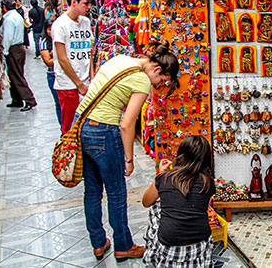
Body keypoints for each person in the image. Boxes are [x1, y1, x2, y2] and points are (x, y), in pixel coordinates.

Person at [77, 41, 180, 262]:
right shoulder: (142, 80)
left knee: (92, 192)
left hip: (82, 125)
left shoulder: (120, 59)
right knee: (116, 193)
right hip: (104, 130)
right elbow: (127, 123)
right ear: (157, 69)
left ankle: (98, 243)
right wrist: (129, 158)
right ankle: (123, 246)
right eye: (161, 80)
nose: (159, 84)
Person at [141, 135, 216, 267]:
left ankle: (151, 257)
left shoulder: (164, 178)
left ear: (181, 155)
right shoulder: (208, 183)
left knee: (156, 208)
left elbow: (146, 202)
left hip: (169, 248)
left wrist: (160, 176)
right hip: (199, 245)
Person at [52, 0, 95, 134]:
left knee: (86, 125)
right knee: (70, 128)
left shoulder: (86, 22)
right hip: (68, 85)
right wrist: (79, 84)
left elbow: (88, 51)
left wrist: (91, 77)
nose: (89, 7)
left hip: (85, 82)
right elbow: (62, 59)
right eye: (86, 4)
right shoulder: (60, 25)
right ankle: (68, 156)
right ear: (73, 2)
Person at [0, 0, 37, 111]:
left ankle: (29, 100)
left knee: (16, 76)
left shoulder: (9, 19)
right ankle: (17, 100)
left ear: (4, 8)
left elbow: (8, 37)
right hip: (19, 48)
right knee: (14, 74)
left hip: (14, 49)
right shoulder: (16, 16)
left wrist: (4, 51)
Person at [38, 16, 61, 125]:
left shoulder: (64, 38)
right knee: (58, 103)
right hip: (53, 75)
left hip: (65, 74)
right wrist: (62, 57)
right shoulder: (44, 42)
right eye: (49, 29)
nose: (52, 32)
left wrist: (54, 56)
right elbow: (47, 61)